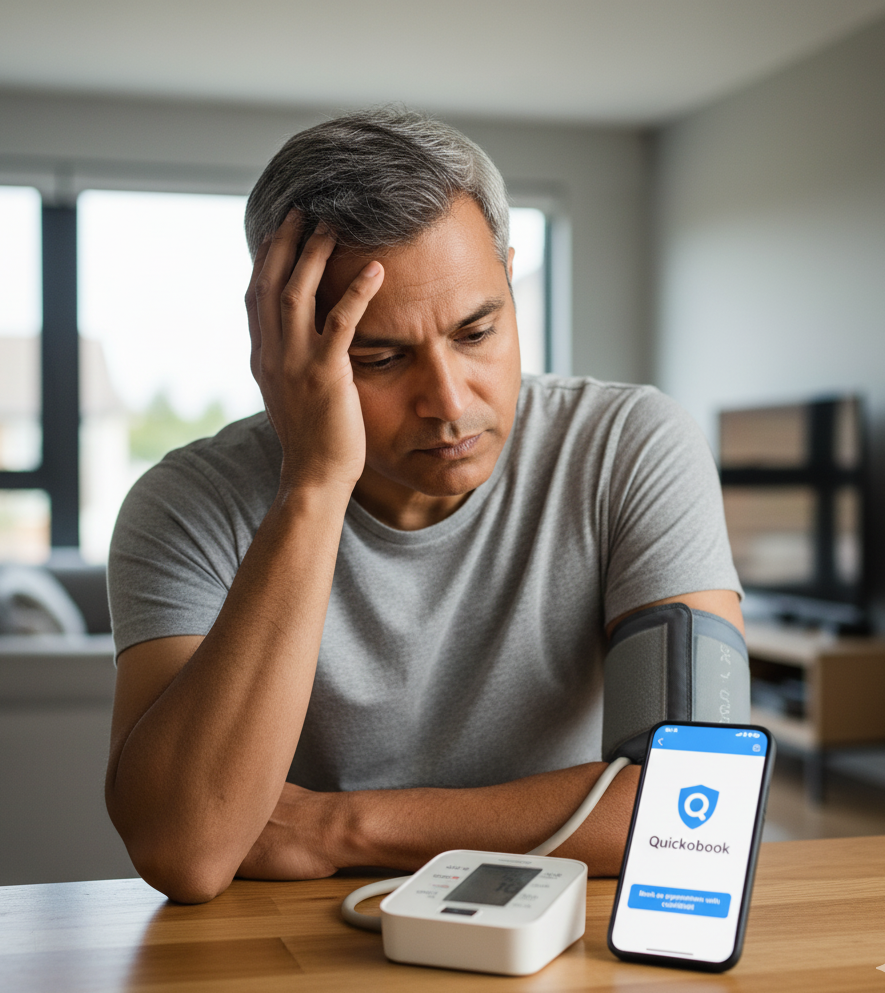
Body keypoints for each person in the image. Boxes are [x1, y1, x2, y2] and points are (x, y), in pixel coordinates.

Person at [105, 108, 743, 904]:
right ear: (285, 347)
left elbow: (701, 805)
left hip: (556, 937)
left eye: (477, 331)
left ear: (511, 280)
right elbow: (184, 849)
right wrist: (312, 485)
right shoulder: (187, 505)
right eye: (377, 356)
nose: (448, 402)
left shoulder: (629, 447)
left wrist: (340, 827)